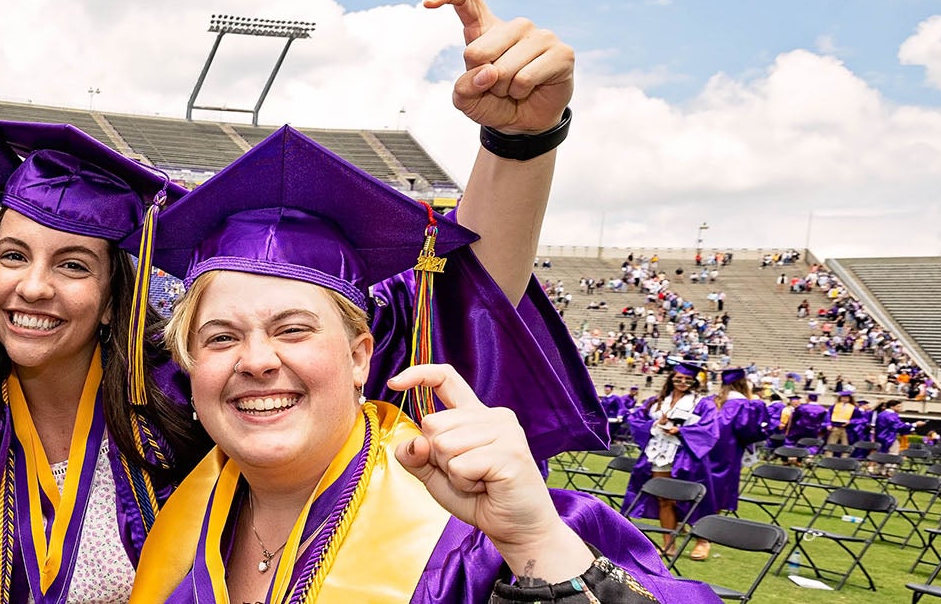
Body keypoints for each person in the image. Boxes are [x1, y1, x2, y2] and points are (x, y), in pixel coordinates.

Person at [125, 127, 714, 602]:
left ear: (360, 357)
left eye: (293, 329)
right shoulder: (170, 506)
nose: (255, 361)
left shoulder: (478, 536)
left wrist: (537, 545)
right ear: (188, 366)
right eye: (221, 337)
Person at [0, 120, 210, 601]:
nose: (33, 287)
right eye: (13, 255)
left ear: (113, 301)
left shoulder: (183, 411)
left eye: (73, 264)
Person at [671, 368, 766, 561]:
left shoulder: (710, 401)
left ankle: (700, 534)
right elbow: (749, 432)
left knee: (699, 492)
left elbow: (691, 424)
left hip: (698, 452)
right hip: (726, 456)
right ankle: (704, 540)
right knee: (715, 495)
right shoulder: (745, 405)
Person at [623, 361, 702, 555]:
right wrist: (656, 423)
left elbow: (709, 429)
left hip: (685, 455)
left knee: (687, 499)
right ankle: (669, 544)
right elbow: (635, 420)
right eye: (679, 378)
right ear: (671, 378)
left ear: (694, 382)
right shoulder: (656, 400)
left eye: (688, 379)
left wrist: (681, 430)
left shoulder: (701, 402)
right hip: (658, 452)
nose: (683, 382)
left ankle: (702, 541)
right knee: (664, 498)